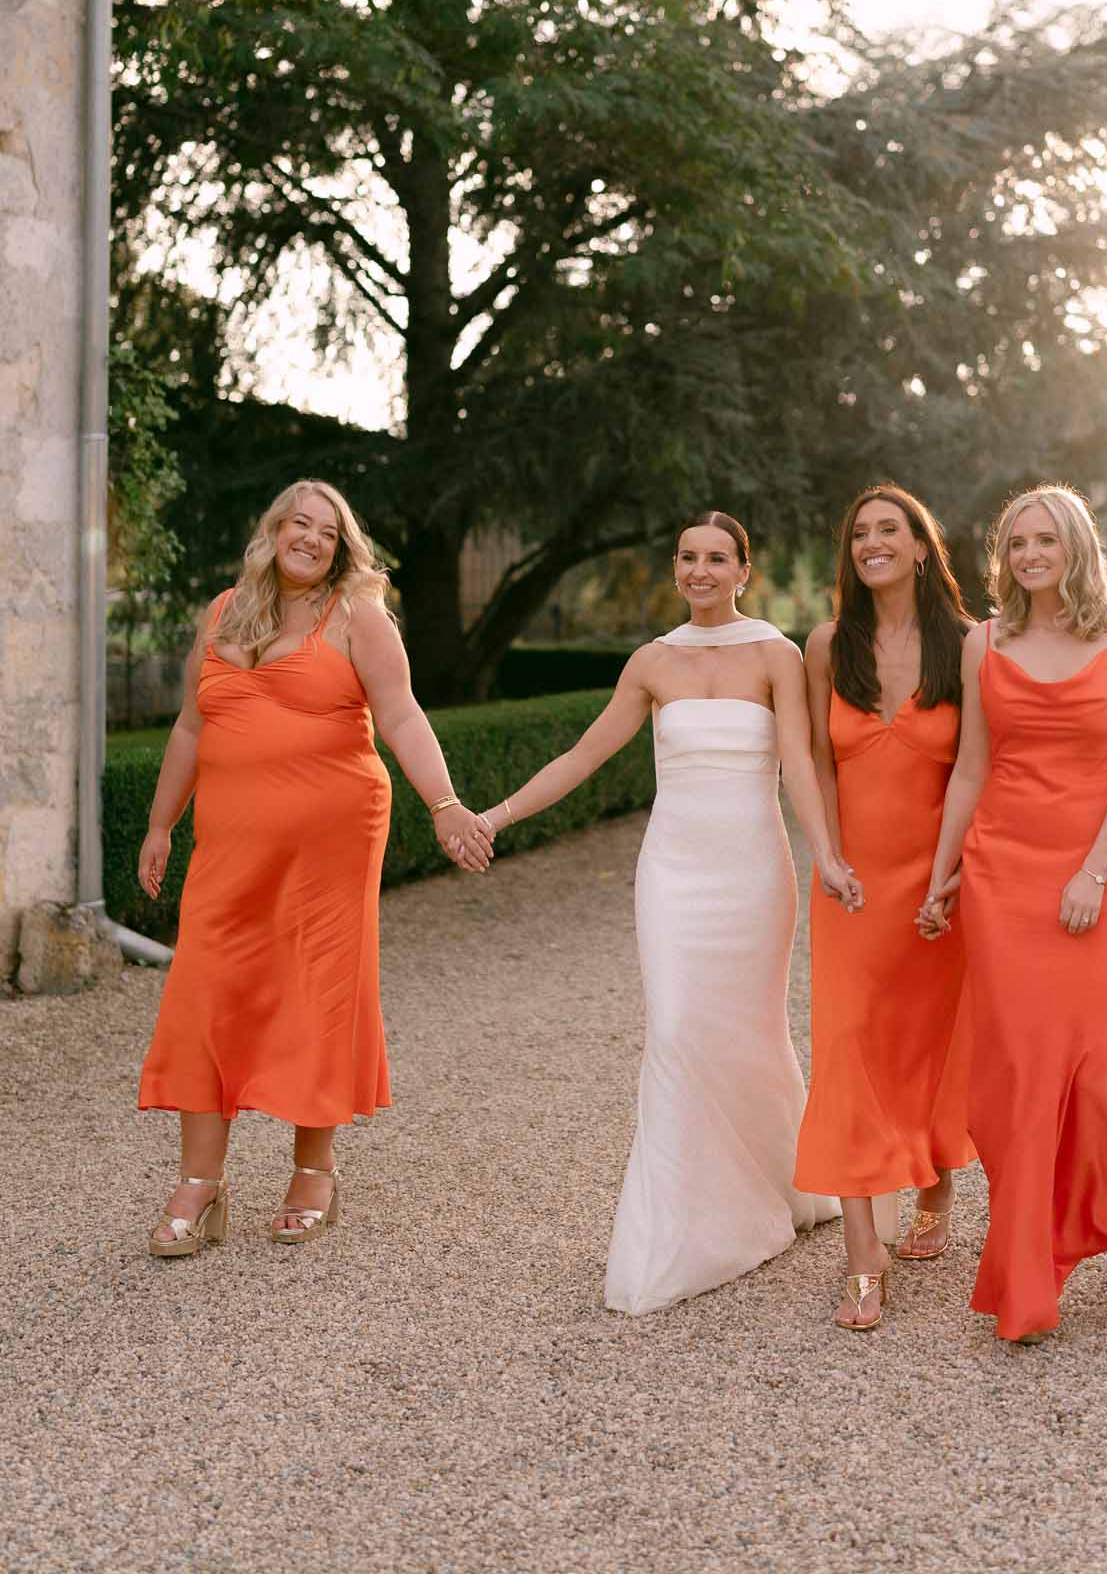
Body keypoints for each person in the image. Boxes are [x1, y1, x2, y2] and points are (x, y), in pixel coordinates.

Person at [476, 512, 852, 1314]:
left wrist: (825, 851)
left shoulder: (775, 655)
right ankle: (690, 1232)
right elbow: (584, 754)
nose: (699, 570)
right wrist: (494, 817)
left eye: (716, 558)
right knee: (677, 1030)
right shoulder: (651, 660)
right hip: (674, 873)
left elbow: (797, 761)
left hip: (752, 873)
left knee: (750, 1032)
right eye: (687, 556)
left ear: (743, 570)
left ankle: (782, 1180)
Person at [137, 480, 491, 1257]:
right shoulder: (224, 612)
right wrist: (160, 825)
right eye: (299, 523)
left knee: (317, 983)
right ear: (272, 532)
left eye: (327, 532)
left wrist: (444, 805)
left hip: (332, 837)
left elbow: (400, 713)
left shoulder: (357, 615)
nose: (311, 538)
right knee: (205, 986)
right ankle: (200, 1184)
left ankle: (313, 1173)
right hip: (228, 844)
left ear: (340, 549)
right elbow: (191, 725)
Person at [919, 483, 1107, 1342]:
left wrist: (1092, 872)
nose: (1028, 555)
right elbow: (971, 768)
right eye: (1016, 542)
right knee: (1020, 1070)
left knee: (1093, 1071)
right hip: (1003, 875)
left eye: (1045, 540)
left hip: (1097, 869)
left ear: (1075, 548)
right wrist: (941, 876)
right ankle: (1025, 1271)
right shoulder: (984, 642)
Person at [794, 486, 975, 1332]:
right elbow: (815, 761)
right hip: (850, 882)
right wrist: (826, 855)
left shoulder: (966, 645)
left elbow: (978, 768)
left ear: (919, 546)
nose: (871, 542)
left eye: (888, 529)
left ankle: (935, 1188)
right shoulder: (827, 644)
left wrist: (952, 877)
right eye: (859, 532)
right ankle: (862, 1256)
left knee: (928, 1042)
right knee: (847, 1049)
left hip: (938, 882)